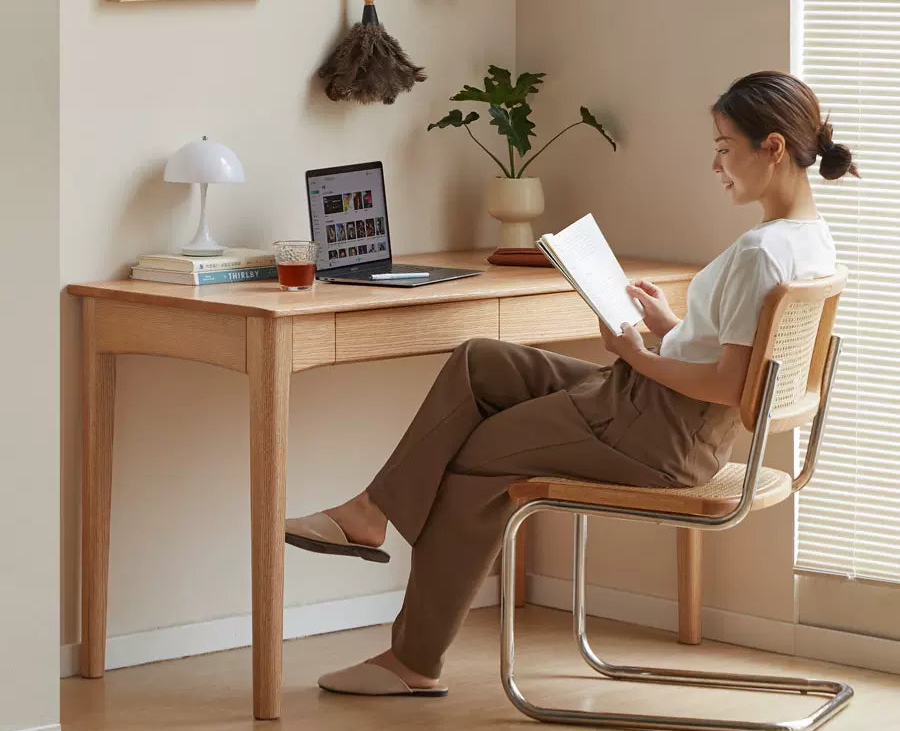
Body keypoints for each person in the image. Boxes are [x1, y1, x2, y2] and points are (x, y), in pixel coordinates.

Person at [287, 71, 858, 697]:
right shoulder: (813, 242)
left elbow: (729, 385)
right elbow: (743, 357)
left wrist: (635, 353)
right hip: (662, 419)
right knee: (480, 362)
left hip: (653, 433)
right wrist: (672, 328)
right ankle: (371, 512)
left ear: (772, 148)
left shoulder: (761, 252)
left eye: (725, 146)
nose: (716, 163)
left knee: (470, 462)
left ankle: (413, 660)